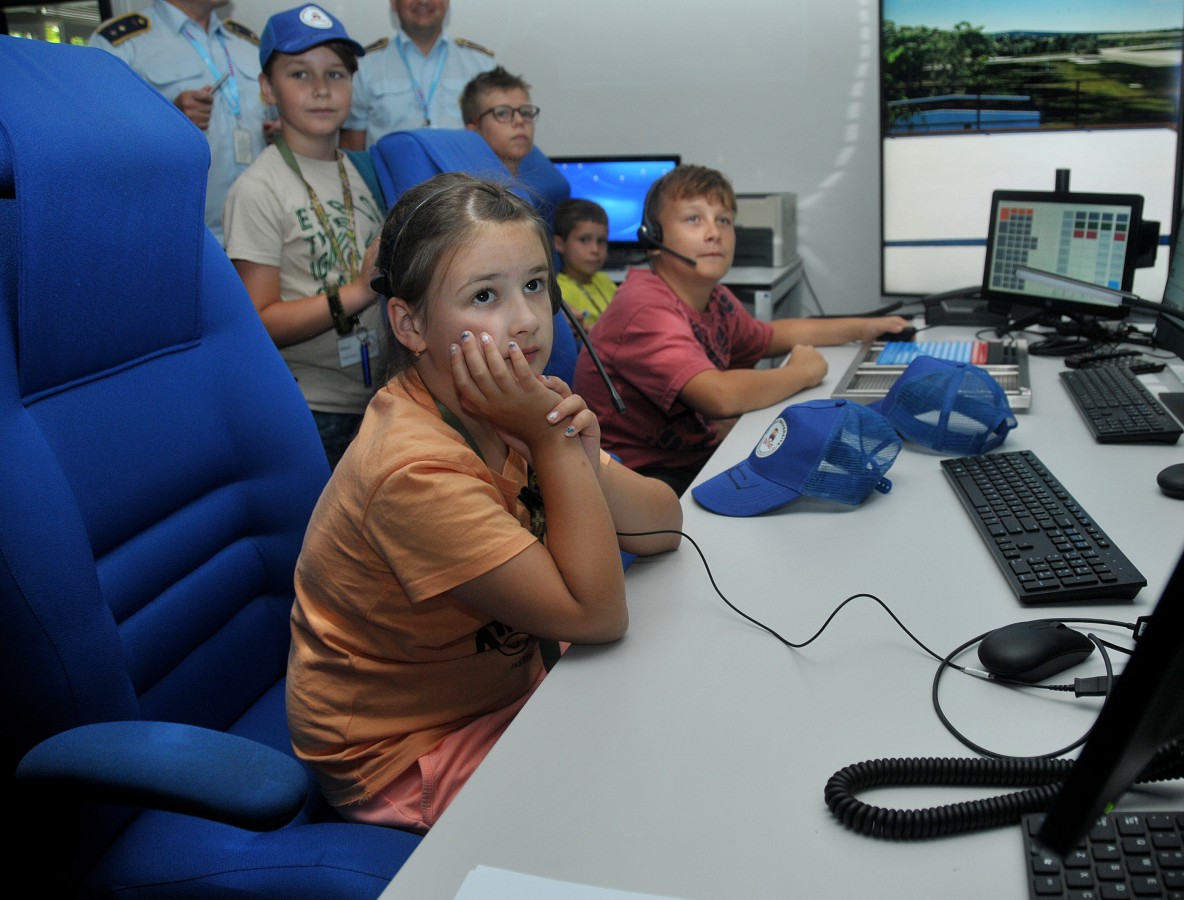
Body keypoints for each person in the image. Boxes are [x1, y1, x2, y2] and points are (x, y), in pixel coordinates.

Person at [286, 171, 683, 832]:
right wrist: (552, 445)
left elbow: (663, 527)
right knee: (641, 807)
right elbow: (599, 615)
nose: (526, 319)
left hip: (510, 687)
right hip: (410, 751)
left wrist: (579, 458)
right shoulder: (412, 468)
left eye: (535, 284)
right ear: (410, 324)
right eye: (484, 295)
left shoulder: (516, 402)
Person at [573, 164, 912, 494]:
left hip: (691, 458)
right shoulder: (643, 308)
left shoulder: (714, 297)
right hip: (639, 482)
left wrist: (864, 327)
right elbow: (720, 396)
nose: (714, 233)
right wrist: (803, 372)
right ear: (654, 237)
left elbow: (771, 336)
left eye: (723, 220)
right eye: (694, 219)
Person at [223, 4, 383, 469]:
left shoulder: (364, 170)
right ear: (267, 88)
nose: (321, 89)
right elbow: (259, 321)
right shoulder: (258, 189)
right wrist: (357, 293)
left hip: (380, 396)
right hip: (314, 408)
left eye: (336, 74)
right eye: (299, 74)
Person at [89, 0, 270, 244]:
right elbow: (98, 145)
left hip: (259, 232)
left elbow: (270, 114)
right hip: (178, 239)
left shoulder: (247, 42)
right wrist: (167, 121)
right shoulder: (122, 44)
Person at [339, 0, 495, 151]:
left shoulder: (482, 66)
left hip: (464, 170)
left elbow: (497, 141)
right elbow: (353, 151)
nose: (423, 1)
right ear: (394, 3)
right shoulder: (364, 67)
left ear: (447, 2)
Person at [459, 65, 538, 177]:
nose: (520, 120)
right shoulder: (460, 188)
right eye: (502, 113)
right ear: (474, 130)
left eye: (525, 113)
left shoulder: (548, 184)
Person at [553, 198, 617, 333]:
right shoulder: (559, 293)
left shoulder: (604, 279)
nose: (595, 249)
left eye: (601, 241)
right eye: (584, 240)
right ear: (559, 244)